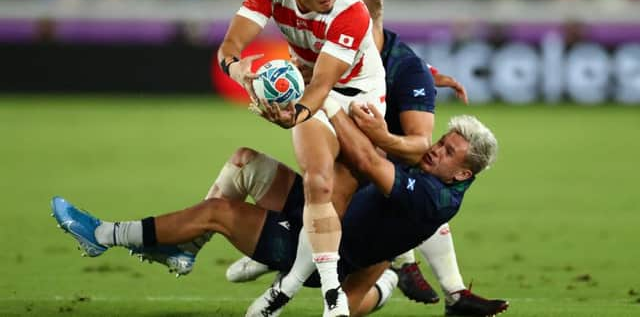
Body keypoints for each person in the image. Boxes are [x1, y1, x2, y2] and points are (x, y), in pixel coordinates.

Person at [228, 0, 507, 317]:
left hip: (354, 104)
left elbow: (377, 44)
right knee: (338, 189)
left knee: (400, 184)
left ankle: (409, 274)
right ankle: (387, 269)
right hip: (324, 102)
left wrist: (426, 73)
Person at [51, 112, 499, 317]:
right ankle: (184, 250)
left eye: (446, 151)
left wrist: (325, 102)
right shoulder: (441, 185)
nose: (434, 149)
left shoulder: (428, 195)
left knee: (218, 212)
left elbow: (367, 159)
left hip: (318, 245)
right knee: (245, 161)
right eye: (441, 141)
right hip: (321, 210)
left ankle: (106, 234)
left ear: (462, 170)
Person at [217, 0, 386, 316]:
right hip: (313, 91)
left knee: (356, 194)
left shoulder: (350, 9)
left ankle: (296, 282)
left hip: (358, 100)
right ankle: (333, 297)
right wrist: (241, 74)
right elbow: (229, 49)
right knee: (318, 181)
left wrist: (293, 114)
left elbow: (324, 85)